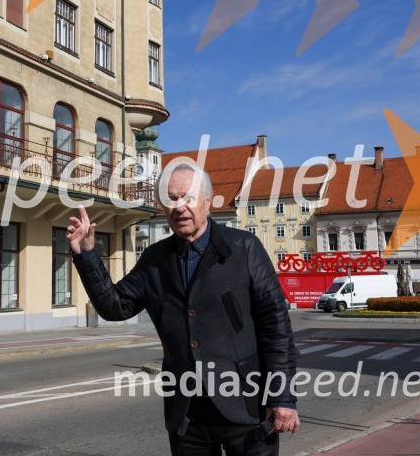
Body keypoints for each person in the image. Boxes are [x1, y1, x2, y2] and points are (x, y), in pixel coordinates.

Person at [68, 162, 298, 456]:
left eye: (187, 197)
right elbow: (115, 306)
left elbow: (276, 327)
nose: (180, 207)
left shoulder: (244, 249)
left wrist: (283, 398)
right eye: (170, 199)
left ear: (207, 201)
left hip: (246, 405)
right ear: (162, 207)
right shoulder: (154, 259)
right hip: (187, 411)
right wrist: (87, 255)